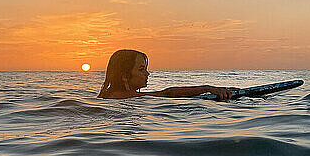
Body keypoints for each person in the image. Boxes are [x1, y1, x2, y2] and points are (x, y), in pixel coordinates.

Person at [97, 49, 238, 100]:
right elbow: (167, 94)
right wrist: (207, 88)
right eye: (141, 69)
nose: (147, 73)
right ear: (124, 75)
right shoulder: (120, 96)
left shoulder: (109, 95)